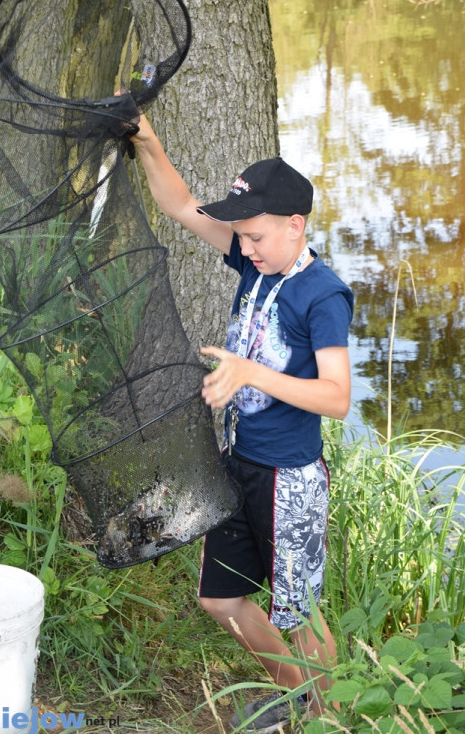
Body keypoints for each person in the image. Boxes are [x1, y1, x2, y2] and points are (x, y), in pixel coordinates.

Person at [129, 115, 354, 733]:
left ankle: (330, 718)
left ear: (294, 226)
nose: (244, 248)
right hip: (241, 467)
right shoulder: (257, 267)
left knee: (300, 614)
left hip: (291, 480)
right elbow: (178, 204)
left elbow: (337, 398)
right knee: (220, 598)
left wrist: (250, 374)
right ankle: (300, 697)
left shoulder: (322, 295)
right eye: (241, 237)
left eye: (254, 236)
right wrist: (146, 139)